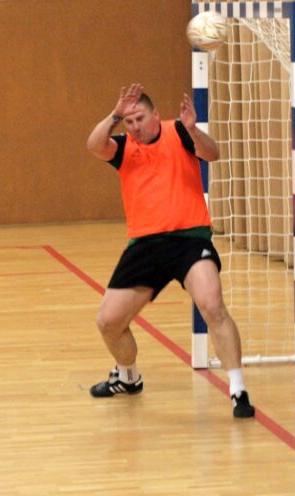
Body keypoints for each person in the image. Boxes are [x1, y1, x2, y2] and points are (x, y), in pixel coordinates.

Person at [85, 83, 255, 418]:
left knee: (212, 306)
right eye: (129, 121)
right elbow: (94, 145)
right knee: (108, 322)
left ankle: (238, 390)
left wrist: (194, 130)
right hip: (145, 245)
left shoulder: (179, 132)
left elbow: (213, 154)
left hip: (189, 240)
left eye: (140, 118)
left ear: (155, 115)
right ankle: (128, 377)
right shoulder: (123, 147)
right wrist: (115, 114)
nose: (135, 126)